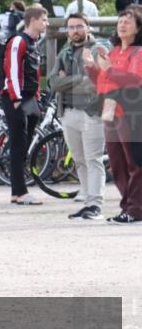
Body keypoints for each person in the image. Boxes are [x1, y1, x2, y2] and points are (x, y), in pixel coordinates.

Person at [83, 7, 142, 224]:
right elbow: (104, 82)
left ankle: (135, 209)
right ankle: (128, 206)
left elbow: (133, 80)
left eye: (129, 21)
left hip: (130, 111)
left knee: (134, 162)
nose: (123, 24)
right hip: (109, 108)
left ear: (138, 28)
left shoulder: (138, 51)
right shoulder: (115, 51)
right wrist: (92, 68)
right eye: (121, 20)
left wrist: (107, 69)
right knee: (117, 162)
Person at [50, 13, 108, 220]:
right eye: (71, 27)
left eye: (79, 26)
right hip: (68, 113)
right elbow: (53, 82)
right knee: (80, 160)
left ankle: (95, 205)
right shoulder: (64, 51)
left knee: (94, 160)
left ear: (88, 27)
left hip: (92, 113)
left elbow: (95, 83)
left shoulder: (99, 48)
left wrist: (69, 81)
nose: (75, 31)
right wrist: (80, 78)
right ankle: (87, 203)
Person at [2, 6, 49, 206]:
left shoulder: (34, 43)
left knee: (23, 146)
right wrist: (16, 98)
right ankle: (20, 192)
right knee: (18, 145)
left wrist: (36, 97)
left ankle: (16, 191)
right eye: (44, 20)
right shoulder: (18, 41)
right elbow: (11, 68)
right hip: (17, 99)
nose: (46, 23)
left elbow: (34, 73)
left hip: (29, 98)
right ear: (33, 20)